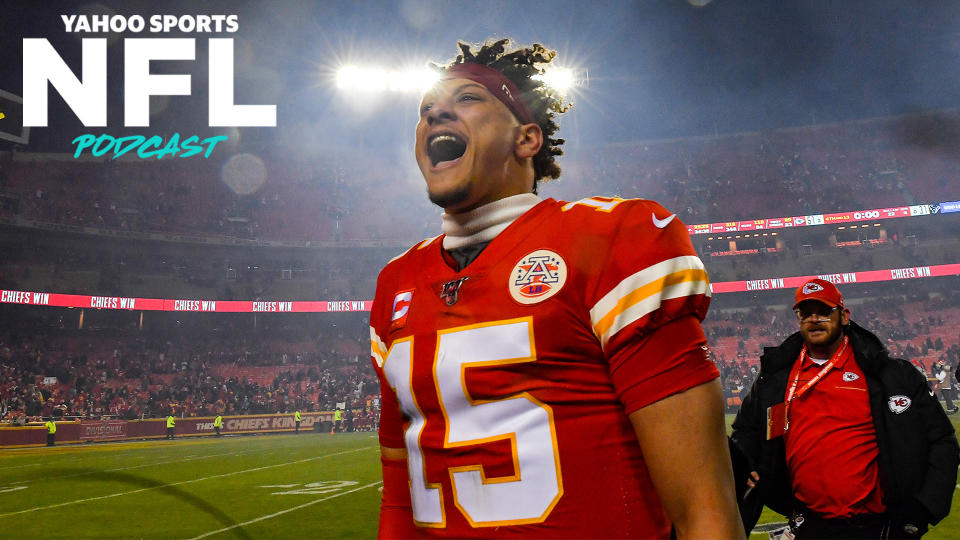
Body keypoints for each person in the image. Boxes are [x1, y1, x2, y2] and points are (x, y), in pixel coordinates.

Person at [369, 38, 742, 538]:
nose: (436, 116)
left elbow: (704, 511)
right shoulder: (397, 280)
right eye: (426, 110)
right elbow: (399, 497)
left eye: (468, 99)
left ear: (527, 139)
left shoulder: (610, 238)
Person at [731, 278, 959, 538]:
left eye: (824, 311)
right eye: (806, 312)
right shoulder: (776, 378)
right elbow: (745, 431)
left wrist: (923, 509)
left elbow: (942, 441)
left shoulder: (889, 374)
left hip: (877, 526)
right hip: (809, 525)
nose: (814, 318)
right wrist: (747, 465)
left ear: (844, 315)